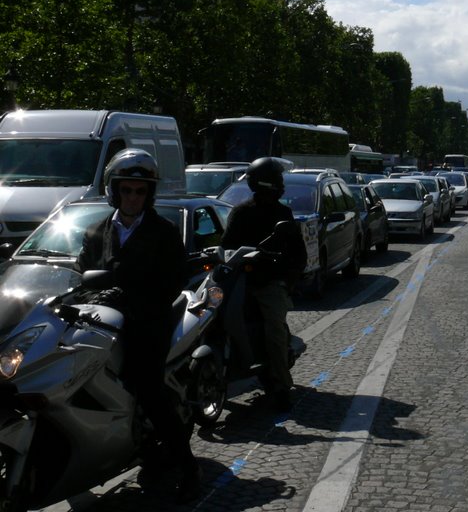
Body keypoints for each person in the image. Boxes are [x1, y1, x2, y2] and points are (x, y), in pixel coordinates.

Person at [80, 149, 201, 502]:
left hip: (147, 324)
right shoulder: (94, 231)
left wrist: (130, 299)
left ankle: (189, 468)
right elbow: (81, 274)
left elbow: (171, 284)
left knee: (148, 389)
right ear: (114, 191)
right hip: (102, 323)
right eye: (127, 190)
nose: (133, 197)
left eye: (140, 191)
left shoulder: (164, 233)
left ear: (149, 195)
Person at [221, 156, 307, 411]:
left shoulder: (283, 213)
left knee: (274, 330)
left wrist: (285, 280)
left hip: (269, 283)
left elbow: (298, 254)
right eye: (278, 179)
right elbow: (226, 246)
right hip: (239, 281)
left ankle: (282, 385)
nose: (282, 184)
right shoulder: (241, 213)